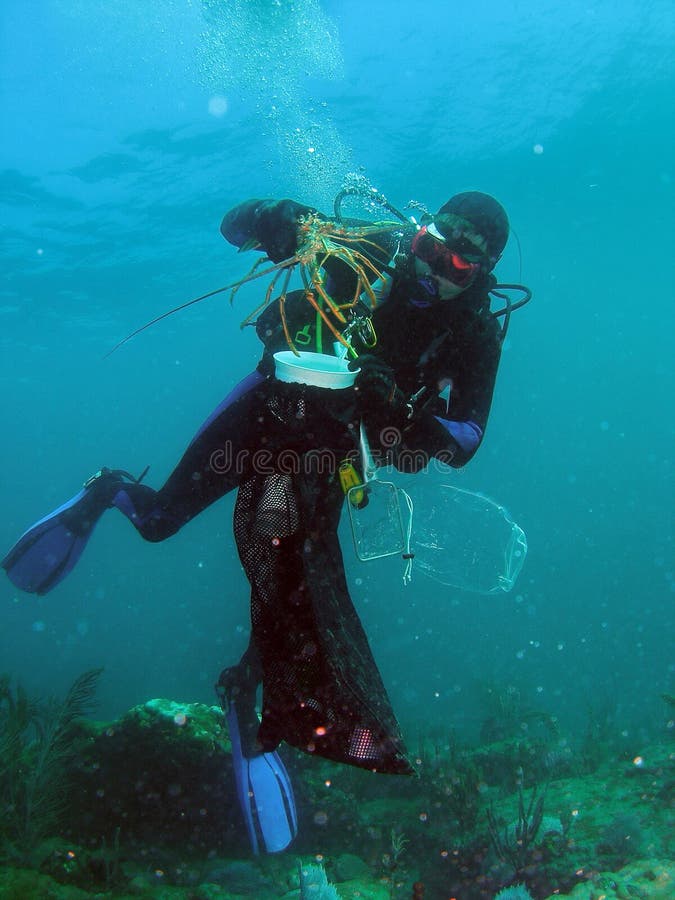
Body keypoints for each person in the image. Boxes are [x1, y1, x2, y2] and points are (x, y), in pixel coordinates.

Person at [3, 189, 526, 852]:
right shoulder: (367, 245)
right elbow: (231, 226)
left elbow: (467, 437)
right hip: (264, 410)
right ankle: (108, 491)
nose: (432, 269)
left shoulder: (475, 334)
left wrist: (400, 409)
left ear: (479, 275)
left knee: (294, 587)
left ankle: (248, 692)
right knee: (160, 521)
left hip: (329, 452)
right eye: (431, 247)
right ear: (415, 236)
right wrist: (270, 219)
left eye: (458, 265)